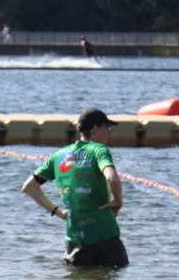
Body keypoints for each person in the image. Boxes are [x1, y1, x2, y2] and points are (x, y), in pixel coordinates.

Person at [20, 108, 128, 268]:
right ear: (95, 129)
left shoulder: (59, 156)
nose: (109, 132)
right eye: (107, 127)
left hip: (74, 243)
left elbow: (28, 187)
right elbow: (112, 177)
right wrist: (118, 201)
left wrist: (58, 211)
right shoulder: (99, 150)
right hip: (105, 238)